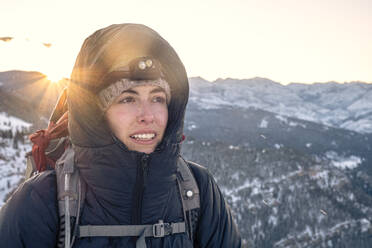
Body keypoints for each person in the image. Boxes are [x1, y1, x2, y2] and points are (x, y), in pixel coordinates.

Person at [0, 23, 242, 247]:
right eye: (128, 98)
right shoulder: (40, 201)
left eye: (158, 98)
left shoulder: (199, 190)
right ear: (96, 115)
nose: (148, 115)